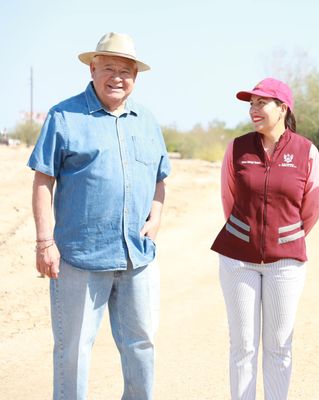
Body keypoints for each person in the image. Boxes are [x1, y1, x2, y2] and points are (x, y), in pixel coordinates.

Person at [28, 32, 170, 400]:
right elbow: (43, 180)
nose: (117, 77)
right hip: (79, 257)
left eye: (126, 70)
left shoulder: (147, 120)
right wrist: (45, 242)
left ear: (136, 76)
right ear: (92, 69)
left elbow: (159, 178)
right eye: (109, 67)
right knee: (74, 350)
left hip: (136, 257)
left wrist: (155, 220)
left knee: (141, 345)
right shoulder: (64, 116)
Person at [211, 77, 319, 400]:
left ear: (282, 108)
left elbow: (311, 209)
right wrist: (248, 234)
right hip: (237, 260)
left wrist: (283, 238)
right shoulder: (237, 148)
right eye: (251, 103)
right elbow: (228, 199)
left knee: (279, 345)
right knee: (243, 345)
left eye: (261, 103)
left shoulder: (306, 151)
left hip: (285, 263)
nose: (253, 109)